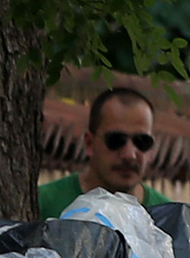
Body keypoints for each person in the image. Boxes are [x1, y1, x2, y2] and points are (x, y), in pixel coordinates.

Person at [37, 83, 174, 215]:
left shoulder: (168, 218)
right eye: (116, 140)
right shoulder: (43, 204)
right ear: (90, 143)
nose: (129, 154)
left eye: (142, 142)